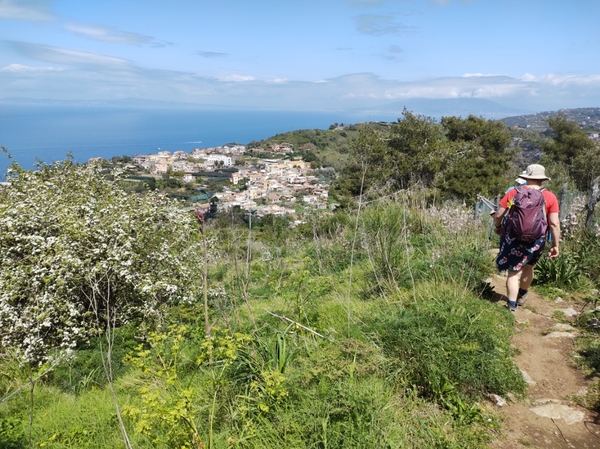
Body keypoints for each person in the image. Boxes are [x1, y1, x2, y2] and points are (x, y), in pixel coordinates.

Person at [494, 164, 561, 312]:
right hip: (536, 240)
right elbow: (554, 224)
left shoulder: (513, 192)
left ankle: (511, 306)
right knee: (528, 267)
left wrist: (498, 227)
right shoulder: (550, 196)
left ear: (526, 177)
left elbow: (499, 215)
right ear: (542, 179)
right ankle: (522, 294)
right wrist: (555, 245)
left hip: (513, 238)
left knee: (513, 272)